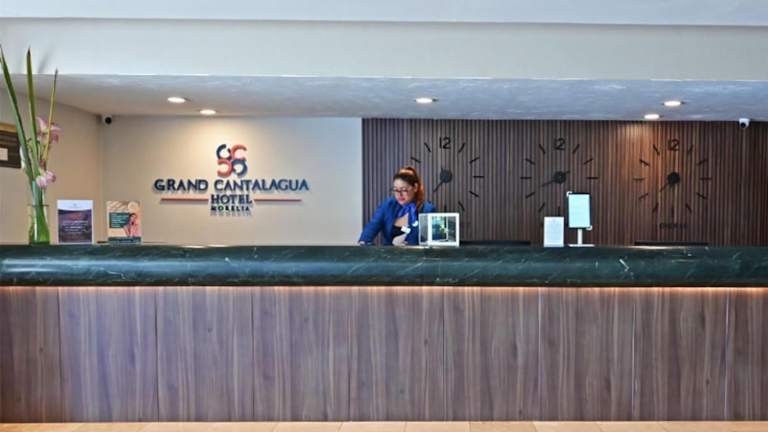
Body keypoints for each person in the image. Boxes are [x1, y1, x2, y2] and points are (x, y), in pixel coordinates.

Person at [359, 166, 435, 246]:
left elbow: (428, 244)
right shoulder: (388, 205)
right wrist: (365, 242)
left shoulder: (427, 209)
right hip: (389, 253)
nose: (399, 194)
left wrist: (407, 244)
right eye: (395, 190)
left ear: (415, 187)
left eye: (404, 190)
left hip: (414, 254)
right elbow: (369, 231)